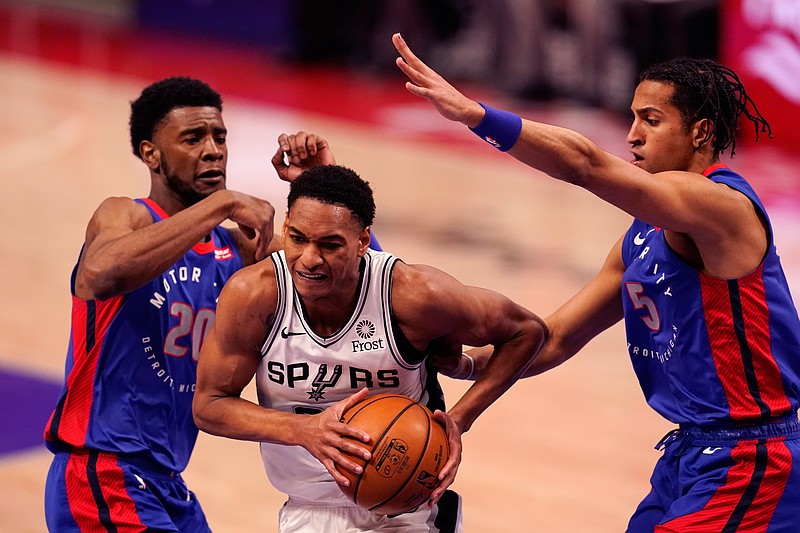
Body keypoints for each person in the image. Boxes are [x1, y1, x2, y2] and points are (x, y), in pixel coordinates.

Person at [392, 32, 800, 532]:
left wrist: (477, 116)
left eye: (651, 120)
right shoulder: (641, 237)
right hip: (690, 454)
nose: (632, 135)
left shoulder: (723, 208)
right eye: (632, 118)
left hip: (753, 457)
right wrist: (468, 364)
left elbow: (584, 163)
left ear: (700, 133)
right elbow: (557, 337)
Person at [42, 76, 333, 531]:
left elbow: (354, 277)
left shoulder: (236, 249)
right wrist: (221, 204)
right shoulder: (125, 215)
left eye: (219, 136)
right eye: (193, 138)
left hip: (166, 483)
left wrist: (323, 183)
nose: (214, 149)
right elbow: (100, 275)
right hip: (103, 473)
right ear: (150, 154)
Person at [192, 164, 548, 532]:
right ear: (285, 227)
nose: (310, 259)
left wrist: (459, 420)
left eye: (330, 245)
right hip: (307, 509)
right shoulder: (254, 294)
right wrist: (303, 430)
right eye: (298, 239)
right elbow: (210, 406)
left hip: (408, 508)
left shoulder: (414, 295)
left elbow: (527, 332)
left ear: (363, 241)